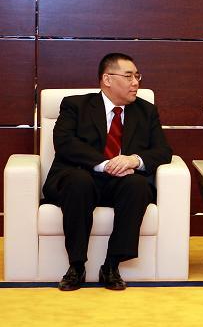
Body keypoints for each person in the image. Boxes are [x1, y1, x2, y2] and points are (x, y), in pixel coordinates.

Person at [43, 53, 172, 291]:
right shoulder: (75, 105)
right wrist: (105, 163)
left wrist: (134, 160)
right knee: (79, 181)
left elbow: (163, 151)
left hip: (120, 183)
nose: (136, 82)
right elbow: (64, 143)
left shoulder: (147, 111)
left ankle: (112, 265)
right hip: (79, 176)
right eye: (129, 76)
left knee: (138, 185)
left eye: (137, 76)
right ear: (107, 79)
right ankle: (76, 266)